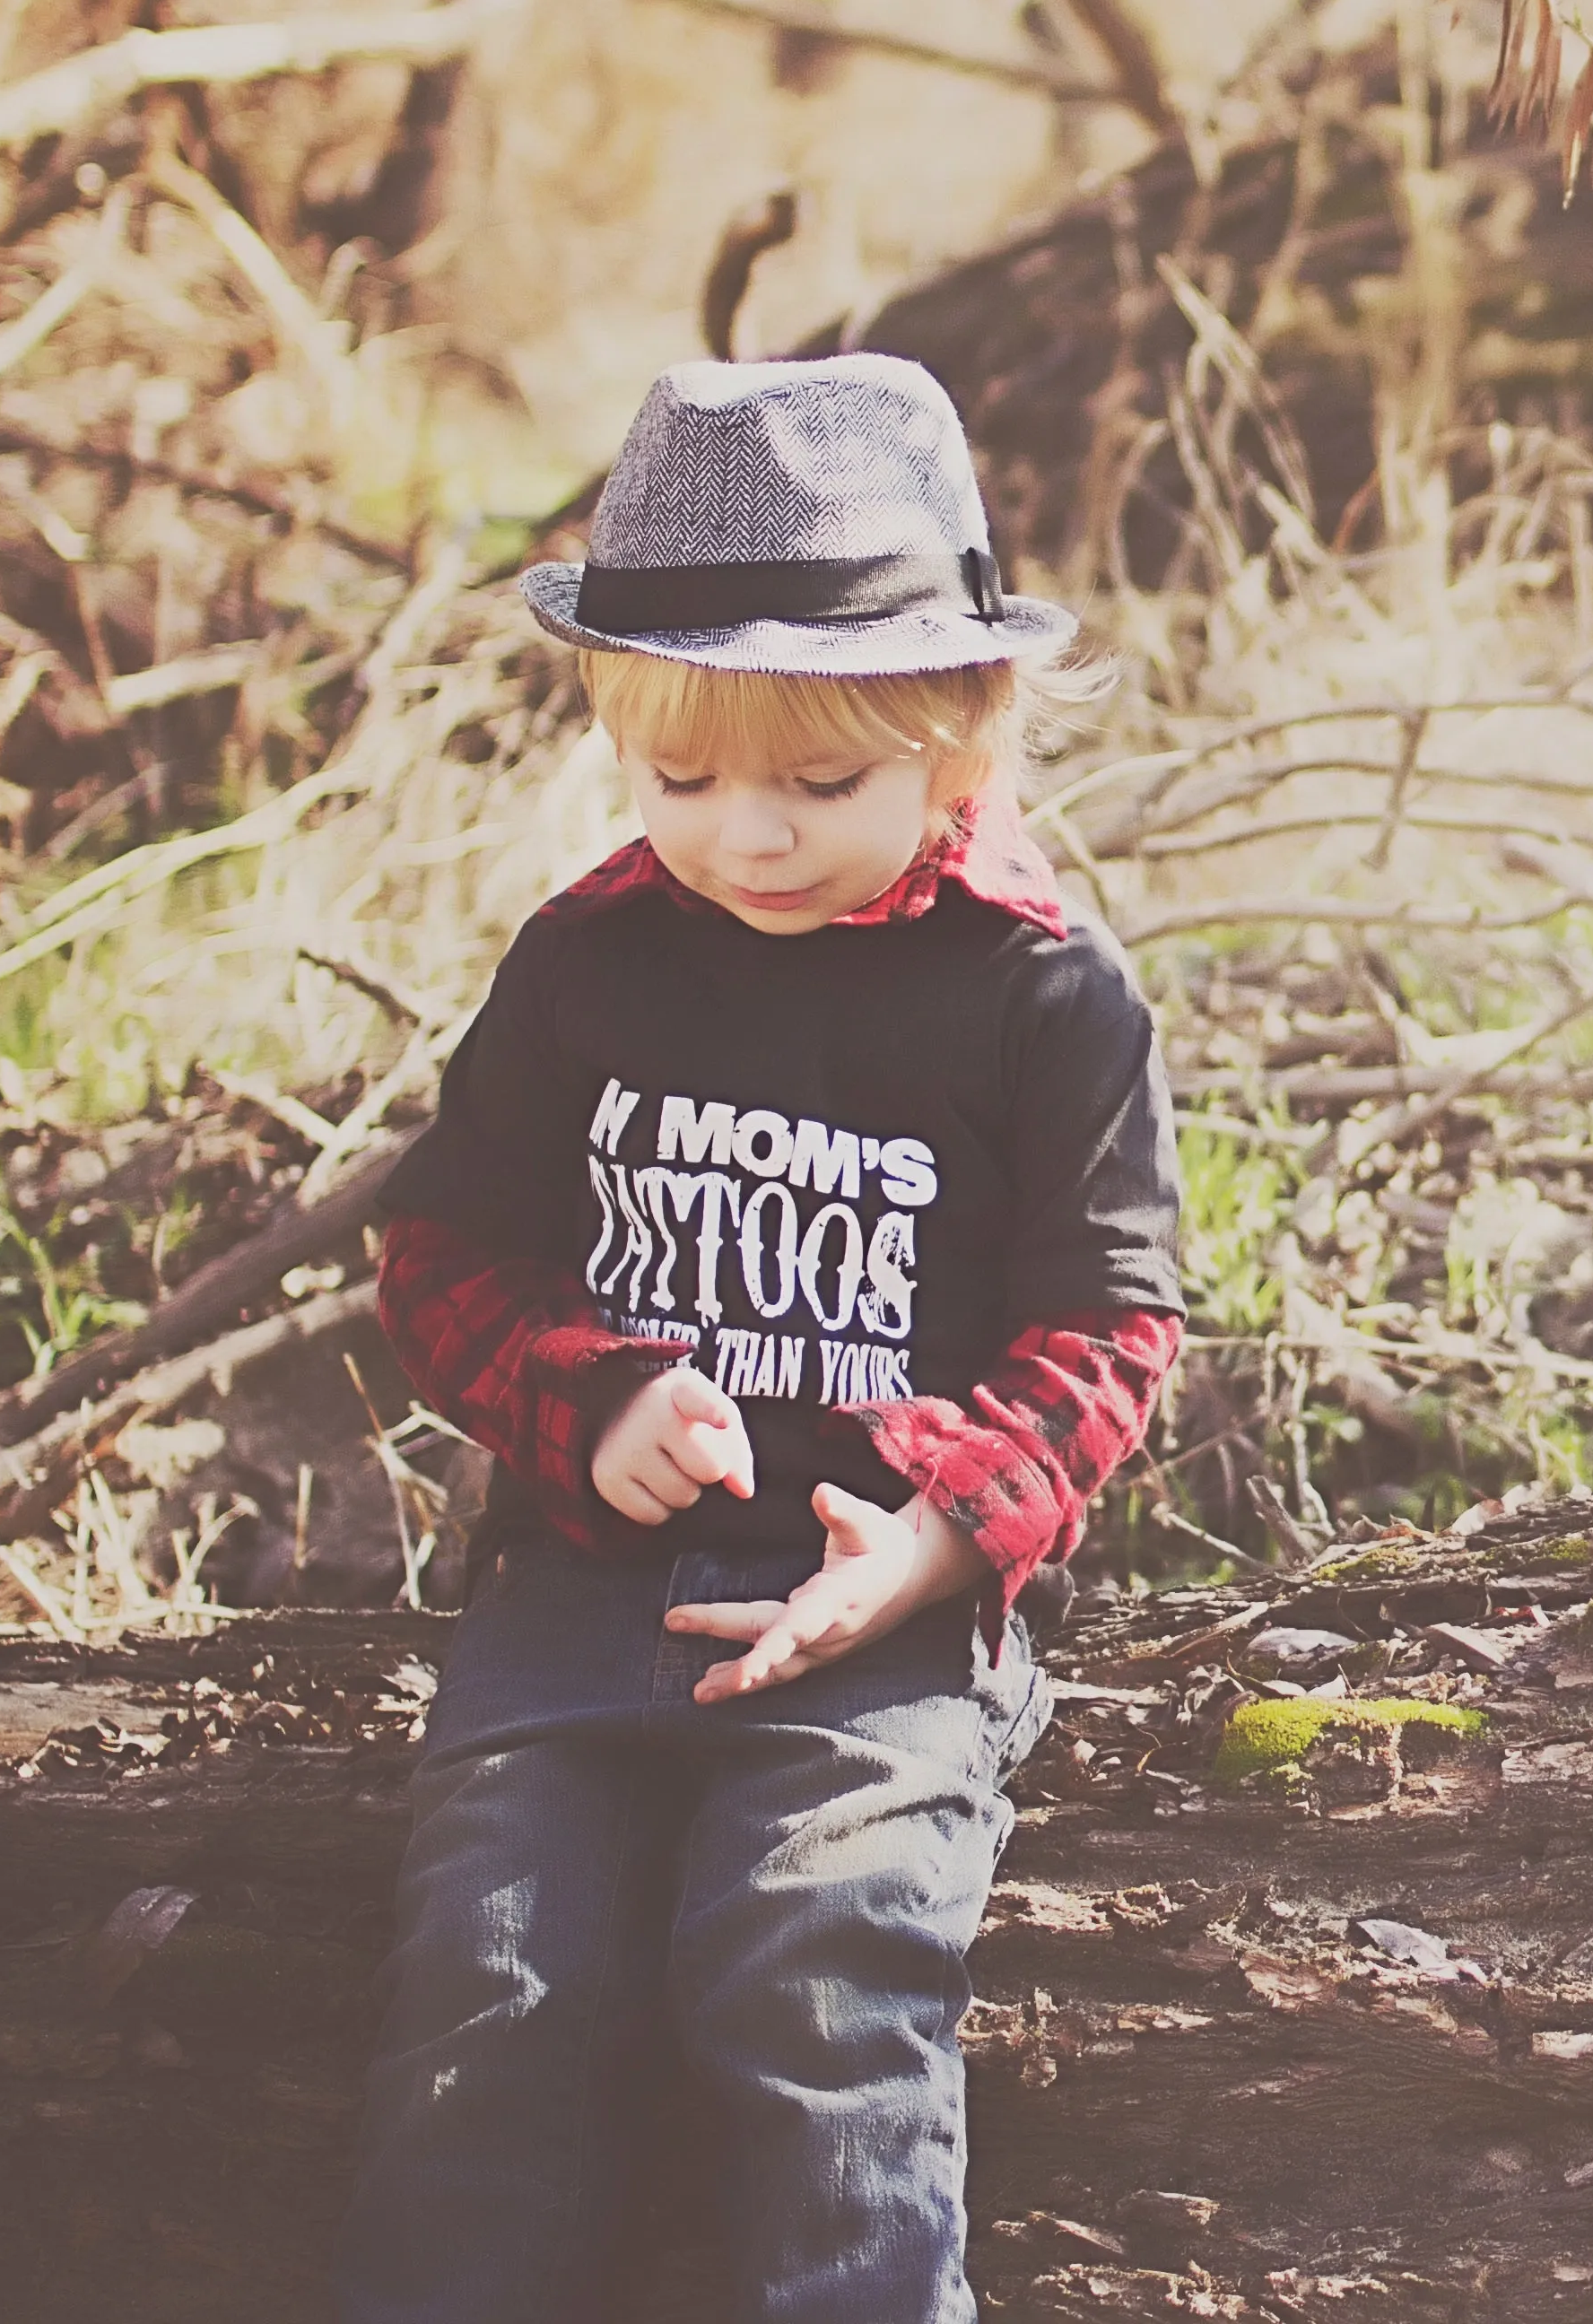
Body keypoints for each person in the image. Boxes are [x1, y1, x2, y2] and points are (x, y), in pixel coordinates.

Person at [335, 354, 1182, 2324]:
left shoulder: (1042, 996)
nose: (751, 840)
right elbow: (445, 1247)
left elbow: (1107, 1328)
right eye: (681, 778)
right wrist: (586, 1393)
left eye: (823, 785)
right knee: (494, 1984)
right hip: (579, 1594)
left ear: (961, 735)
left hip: (874, 1606)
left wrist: (941, 1538)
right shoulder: (590, 959)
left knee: (819, 1958)